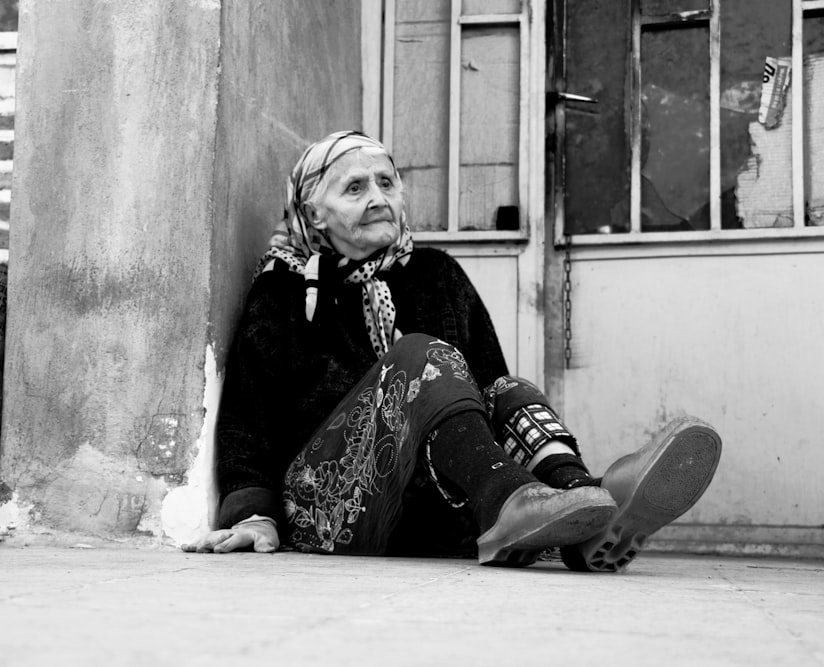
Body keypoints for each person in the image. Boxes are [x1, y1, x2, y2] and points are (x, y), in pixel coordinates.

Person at [184, 131, 721, 570]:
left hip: (433, 509)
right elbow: (245, 420)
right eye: (354, 188)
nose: (378, 197)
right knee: (421, 358)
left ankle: (585, 506)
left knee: (507, 390)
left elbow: (489, 399)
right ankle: (519, 504)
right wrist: (253, 514)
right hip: (329, 508)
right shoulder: (282, 290)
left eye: (387, 182)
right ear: (314, 213)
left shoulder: (438, 274)